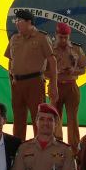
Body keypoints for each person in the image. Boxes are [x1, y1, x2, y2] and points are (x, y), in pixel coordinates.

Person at [4, 9, 58, 140]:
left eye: (20, 21)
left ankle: (39, 147)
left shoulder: (41, 37)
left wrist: (53, 84)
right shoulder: (14, 38)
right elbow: (10, 59)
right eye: (16, 21)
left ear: (29, 22)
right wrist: (11, 78)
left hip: (35, 82)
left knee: (38, 117)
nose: (17, 24)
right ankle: (17, 148)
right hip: (17, 83)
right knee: (18, 118)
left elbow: (52, 60)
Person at [49, 22, 86, 151]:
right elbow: (42, 70)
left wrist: (73, 71)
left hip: (71, 87)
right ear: (56, 35)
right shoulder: (50, 49)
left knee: (72, 119)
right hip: (55, 85)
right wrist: (55, 72)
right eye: (61, 37)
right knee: (55, 118)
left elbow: (84, 69)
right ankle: (56, 147)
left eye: (66, 37)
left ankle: (74, 150)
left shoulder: (76, 49)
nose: (63, 40)